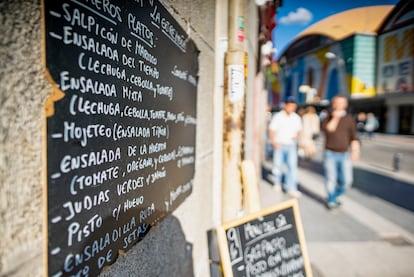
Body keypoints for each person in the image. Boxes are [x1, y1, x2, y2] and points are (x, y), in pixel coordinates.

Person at [321, 95, 360, 209]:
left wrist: (355, 151)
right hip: (330, 153)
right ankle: (331, 199)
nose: (338, 105)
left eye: (341, 103)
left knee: (347, 180)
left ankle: (338, 194)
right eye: (336, 103)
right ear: (333, 105)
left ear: (345, 105)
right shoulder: (327, 118)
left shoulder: (350, 119)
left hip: (344, 154)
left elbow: (354, 137)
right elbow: (329, 129)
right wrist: (335, 118)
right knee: (331, 179)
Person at [268, 97, 302, 198]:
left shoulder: (296, 118)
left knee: (292, 167)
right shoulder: (278, 116)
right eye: (290, 106)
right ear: (286, 105)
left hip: (291, 144)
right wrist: (273, 141)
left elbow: (299, 131)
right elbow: (272, 130)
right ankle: (277, 183)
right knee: (277, 165)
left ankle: (291, 187)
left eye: (294, 107)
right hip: (280, 144)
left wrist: (297, 137)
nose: (291, 108)